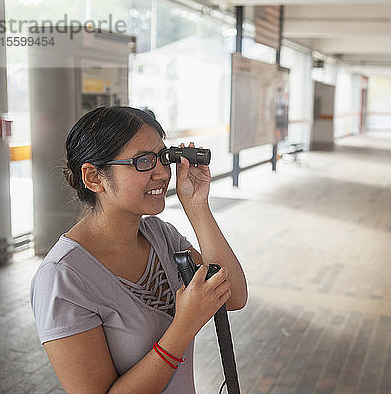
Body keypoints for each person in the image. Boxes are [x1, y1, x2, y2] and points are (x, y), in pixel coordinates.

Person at [30, 106, 248, 393]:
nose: (161, 173)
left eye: (162, 157)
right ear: (94, 177)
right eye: (143, 161)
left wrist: (197, 207)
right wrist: (184, 327)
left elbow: (233, 296)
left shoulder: (161, 235)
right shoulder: (62, 279)